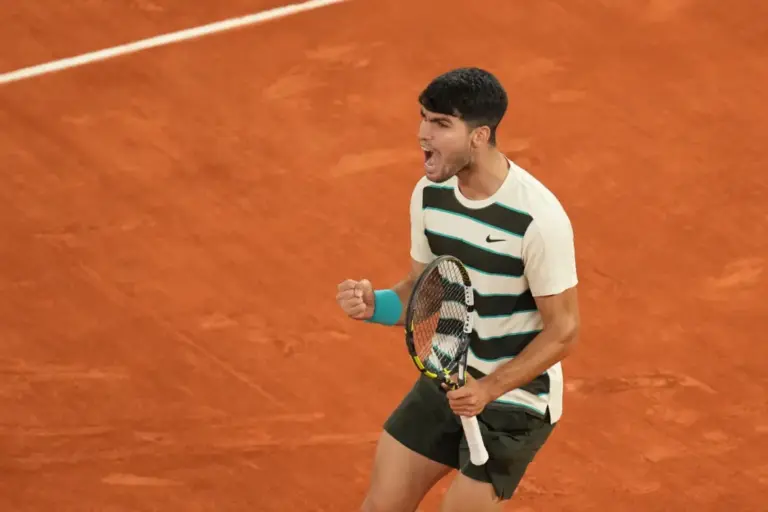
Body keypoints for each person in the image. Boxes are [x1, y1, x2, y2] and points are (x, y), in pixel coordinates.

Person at [335, 67, 581, 512]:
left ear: (479, 136)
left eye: (441, 124)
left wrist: (490, 389)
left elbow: (563, 331)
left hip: (516, 402)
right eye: (424, 118)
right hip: (450, 376)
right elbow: (421, 290)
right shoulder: (430, 197)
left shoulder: (536, 221)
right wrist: (376, 306)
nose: (422, 135)